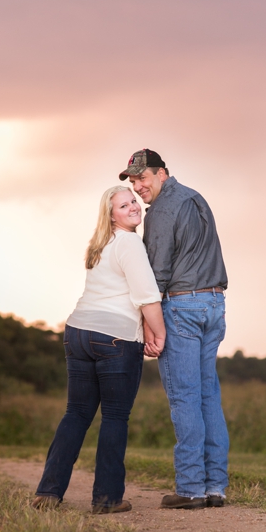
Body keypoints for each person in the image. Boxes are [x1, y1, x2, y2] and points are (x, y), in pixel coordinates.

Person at [33, 186, 166, 514]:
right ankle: (106, 500)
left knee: (76, 413)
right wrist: (159, 334)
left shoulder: (99, 245)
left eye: (133, 200)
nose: (134, 206)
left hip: (77, 332)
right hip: (115, 339)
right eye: (124, 205)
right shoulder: (129, 243)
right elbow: (147, 296)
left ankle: (48, 492)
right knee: (115, 417)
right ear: (112, 215)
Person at [119, 148, 230, 510]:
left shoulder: (163, 209)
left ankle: (191, 488)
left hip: (183, 305)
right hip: (214, 304)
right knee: (207, 396)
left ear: (161, 174)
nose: (138, 187)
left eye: (143, 178)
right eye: (133, 181)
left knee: (185, 398)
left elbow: (157, 273)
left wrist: (149, 323)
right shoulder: (195, 197)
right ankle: (215, 486)